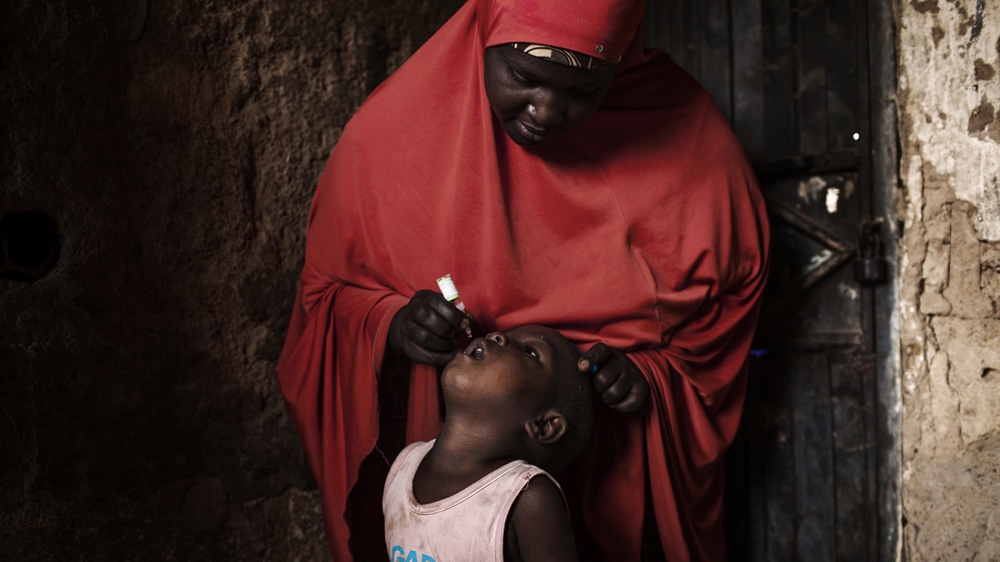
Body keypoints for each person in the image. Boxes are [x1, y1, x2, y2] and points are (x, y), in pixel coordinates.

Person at [276, 0, 770, 559]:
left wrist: (651, 379)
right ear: (486, 33)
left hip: (615, 476)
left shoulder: (682, 133)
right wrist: (393, 324)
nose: (546, 109)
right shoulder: (390, 135)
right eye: (524, 77)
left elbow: (726, 310)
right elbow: (325, 300)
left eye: (584, 90)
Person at [382, 325, 595, 562]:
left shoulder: (527, 498)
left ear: (543, 425)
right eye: (503, 333)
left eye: (530, 352)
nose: (498, 336)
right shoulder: (404, 465)